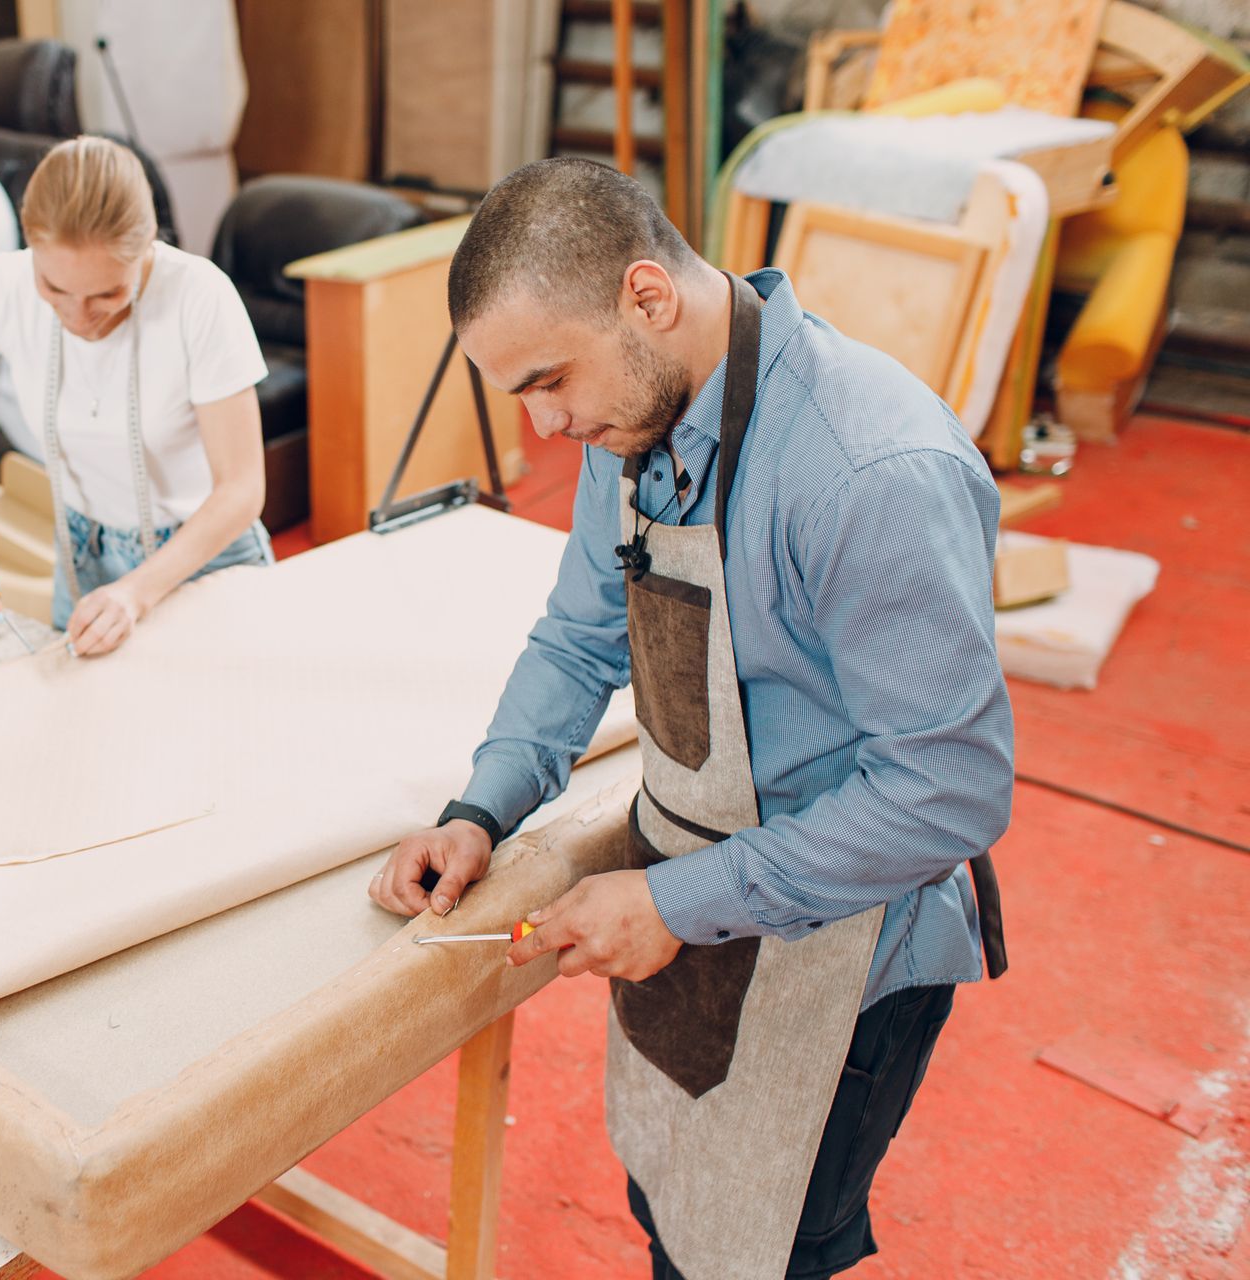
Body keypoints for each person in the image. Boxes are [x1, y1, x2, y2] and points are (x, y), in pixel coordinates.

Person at [368, 158, 1012, 1278]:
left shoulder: (867, 469)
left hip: (841, 959)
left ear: (647, 296)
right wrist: (480, 807)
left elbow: (946, 789)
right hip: (688, 921)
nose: (544, 420)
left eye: (550, 379)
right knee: (679, 1206)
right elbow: (578, 636)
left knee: (764, 1250)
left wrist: (678, 899)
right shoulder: (627, 413)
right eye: (519, 391)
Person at [0, 135, 271, 657]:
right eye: (55, 289)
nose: (79, 318)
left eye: (107, 293)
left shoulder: (199, 298)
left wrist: (137, 592)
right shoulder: (4, 288)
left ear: (148, 243)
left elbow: (241, 490)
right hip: (82, 562)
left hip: (203, 556)